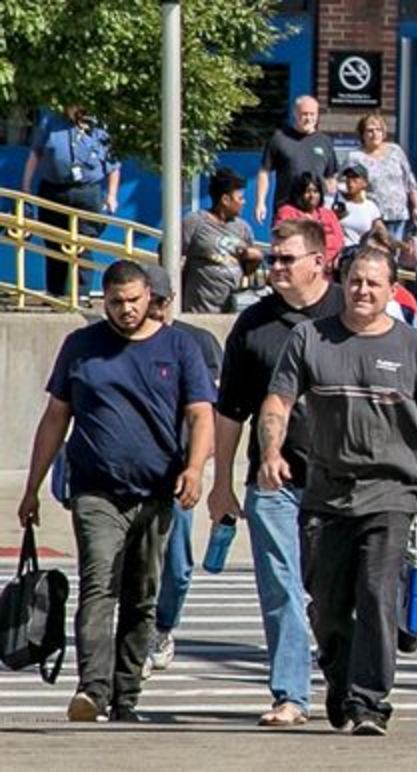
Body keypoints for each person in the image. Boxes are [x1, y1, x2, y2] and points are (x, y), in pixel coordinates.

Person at [259, 246, 417, 736]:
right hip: (326, 493)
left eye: (373, 283)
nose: (362, 290)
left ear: (392, 290)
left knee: (376, 592)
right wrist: (271, 451)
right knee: (327, 604)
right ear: (341, 284)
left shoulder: (414, 346)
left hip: (393, 489)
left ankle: (370, 703)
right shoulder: (311, 338)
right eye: (354, 281)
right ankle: (341, 677)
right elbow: (278, 402)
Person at [17, 259, 215, 722]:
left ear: (150, 298)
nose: (126, 310)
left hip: (156, 491)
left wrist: (195, 469)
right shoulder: (81, 346)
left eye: (133, 301)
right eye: (116, 302)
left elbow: (201, 413)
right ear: (103, 301)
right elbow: (55, 417)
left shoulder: (180, 347)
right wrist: (32, 488)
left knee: (141, 596)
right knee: (99, 584)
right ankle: (92, 689)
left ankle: (126, 696)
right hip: (95, 490)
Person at [207, 219, 345, 728]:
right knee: (280, 587)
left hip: (343, 482)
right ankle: (291, 694)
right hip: (272, 483)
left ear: (318, 261)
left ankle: (344, 675)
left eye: (287, 259)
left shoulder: (350, 313)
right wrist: (221, 484)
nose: (276, 267)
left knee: (333, 594)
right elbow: (230, 412)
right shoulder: (254, 324)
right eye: (273, 259)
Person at [139, 265, 224, 681]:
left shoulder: (197, 343)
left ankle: (162, 625)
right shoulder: (117, 344)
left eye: (158, 301)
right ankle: (135, 636)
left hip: (179, 468)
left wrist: (199, 463)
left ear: (170, 301)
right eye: (146, 301)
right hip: (132, 471)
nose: (151, 310)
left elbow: (213, 411)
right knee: (130, 562)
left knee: (176, 563)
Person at [21, 104, 121, 297]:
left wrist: (111, 195)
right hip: (53, 190)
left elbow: (113, 165)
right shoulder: (50, 121)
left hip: (86, 192)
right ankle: (55, 293)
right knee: (54, 242)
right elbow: (35, 153)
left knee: (83, 243)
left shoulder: (98, 127)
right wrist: (26, 185)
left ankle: (81, 294)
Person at [180, 167, 263, 313]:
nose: (244, 202)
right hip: (198, 313)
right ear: (225, 200)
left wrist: (255, 257)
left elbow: (247, 270)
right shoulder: (195, 222)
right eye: (240, 198)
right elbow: (168, 254)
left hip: (232, 311)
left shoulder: (243, 228)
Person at [255, 95, 338, 224]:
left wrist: (329, 205)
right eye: (304, 114)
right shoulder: (280, 138)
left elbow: (330, 177)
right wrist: (260, 202)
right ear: (295, 113)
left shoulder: (325, 142)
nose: (308, 118)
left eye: (312, 114)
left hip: (316, 214)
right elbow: (264, 172)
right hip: (286, 210)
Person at [346, 112, 417, 238]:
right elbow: (345, 184)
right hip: (372, 217)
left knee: (395, 249)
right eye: (370, 130)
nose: (375, 134)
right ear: (362, 134)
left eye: (378, 130)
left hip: (398, 215)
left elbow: (409, 180)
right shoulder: (355, 157)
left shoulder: (395, 151)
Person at [276, 172, 343, 267]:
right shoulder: (287, 212)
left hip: (330, 265)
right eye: (308, 192)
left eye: (315, 191)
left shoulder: (328, 214)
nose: (312, 196)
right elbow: (287, 241)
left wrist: (329, 260)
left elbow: (339, 240)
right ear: (298, 193)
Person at [335, 163, 384, 248]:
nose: (350, 180)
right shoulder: (336, 201)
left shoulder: (370, 206)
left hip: (362, 250)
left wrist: (403, 246)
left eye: (355, 177)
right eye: (348, 177)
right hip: (342, 250)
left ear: (365, 183)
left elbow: (382, 232)